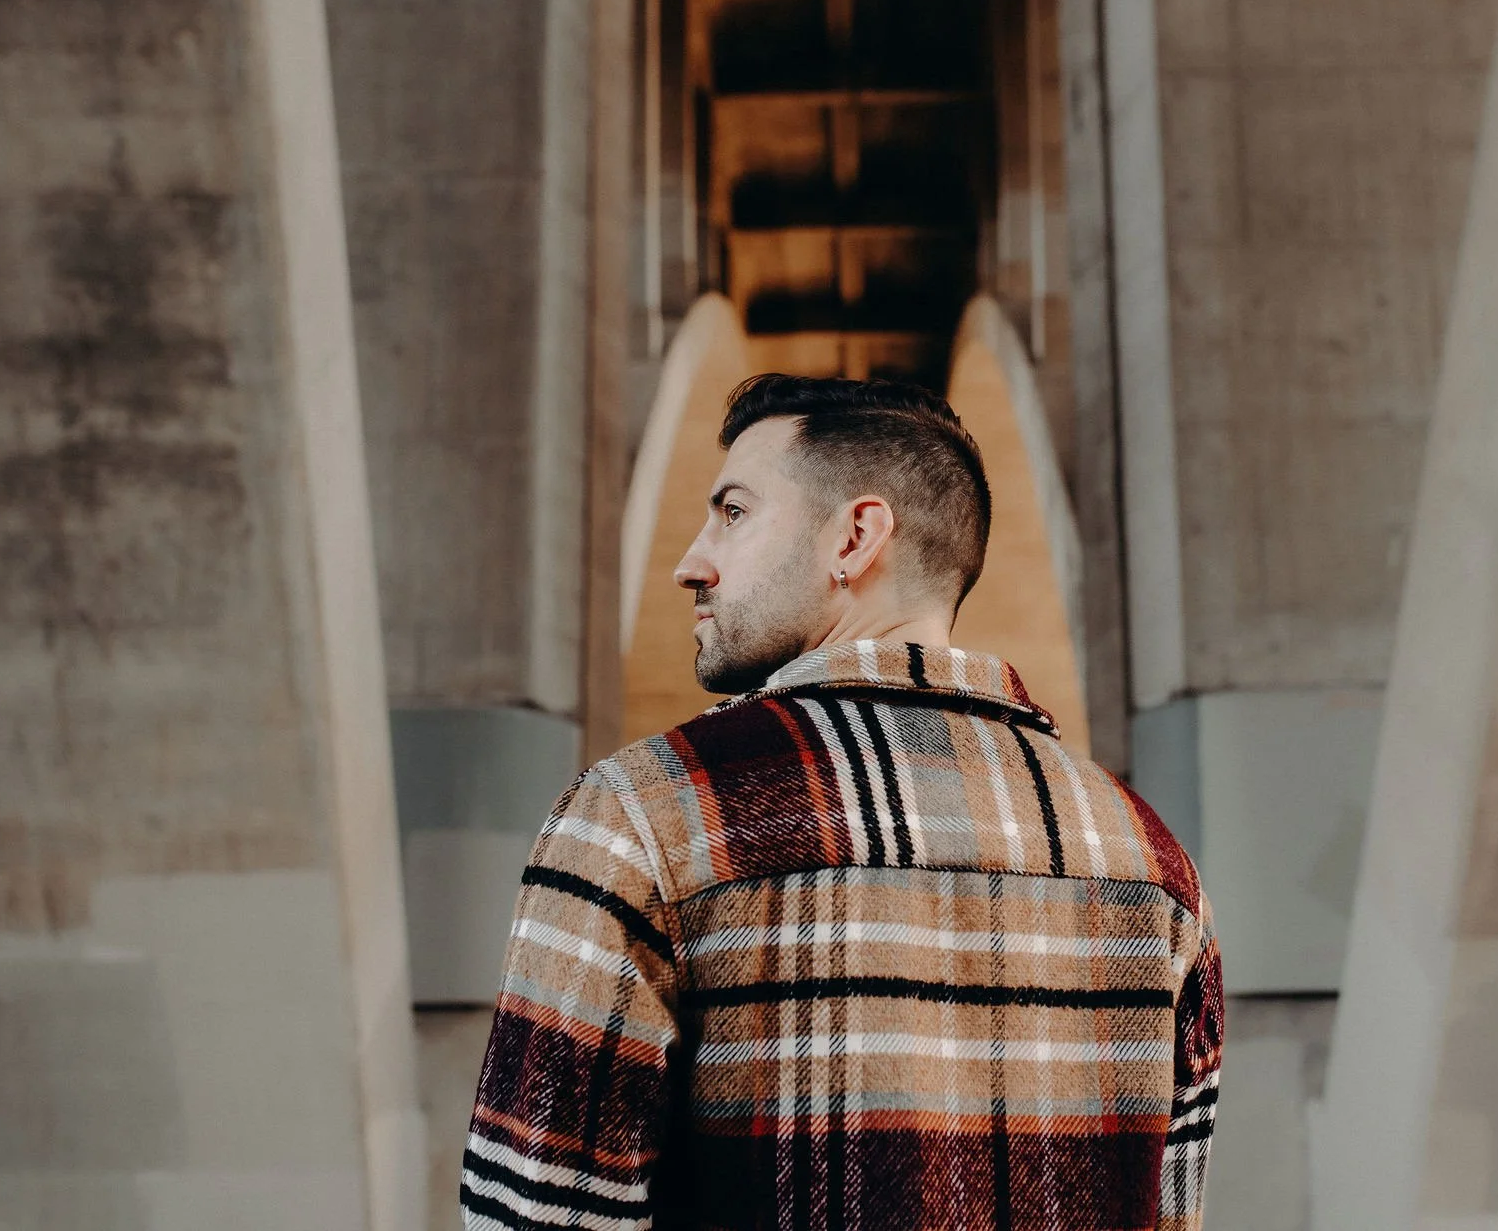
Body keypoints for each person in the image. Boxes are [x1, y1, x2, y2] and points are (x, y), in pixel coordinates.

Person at [461, 375, 1221, 1230]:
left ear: (855, 537)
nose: (691, 561)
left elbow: (536, 1216)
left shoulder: (647, 818)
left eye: (733, 512)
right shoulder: (1150, 864)